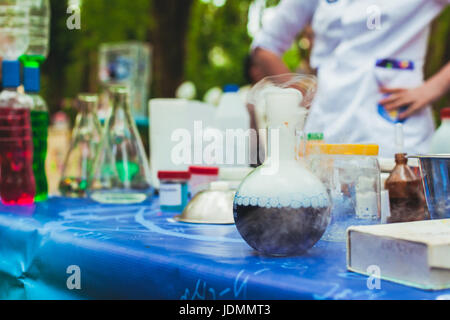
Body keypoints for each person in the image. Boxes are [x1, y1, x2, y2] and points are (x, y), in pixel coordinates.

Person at [251, 0, 450, 157]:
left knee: (400, 200)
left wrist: (435, 87)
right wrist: (305, 94)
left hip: (393, 129)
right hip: (327, 126)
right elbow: (265, 47)